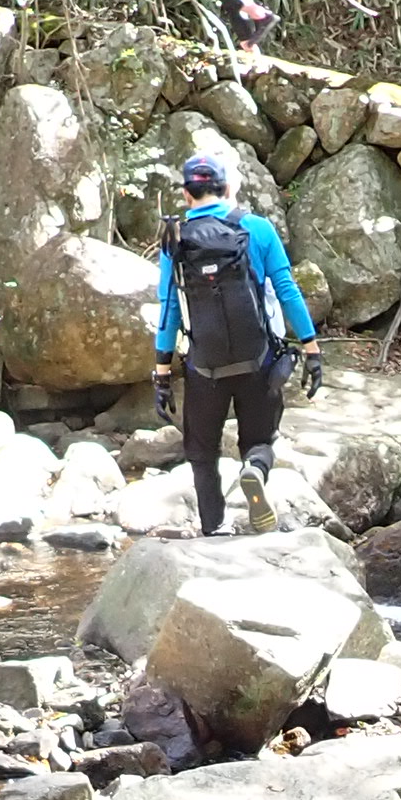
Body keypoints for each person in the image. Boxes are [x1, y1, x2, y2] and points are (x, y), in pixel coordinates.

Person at [152, 153, 318, 537]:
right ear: (227, 188)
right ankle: (254, 468)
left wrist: (161, 371)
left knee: (201, 454)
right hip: (257, 359)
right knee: (260, 441)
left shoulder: (175, 239)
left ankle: (215, 527)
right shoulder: (256, 228)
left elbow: (169, 307)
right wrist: (310, 346)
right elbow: (287, 290)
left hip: (204, 365)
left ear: (186, 194)